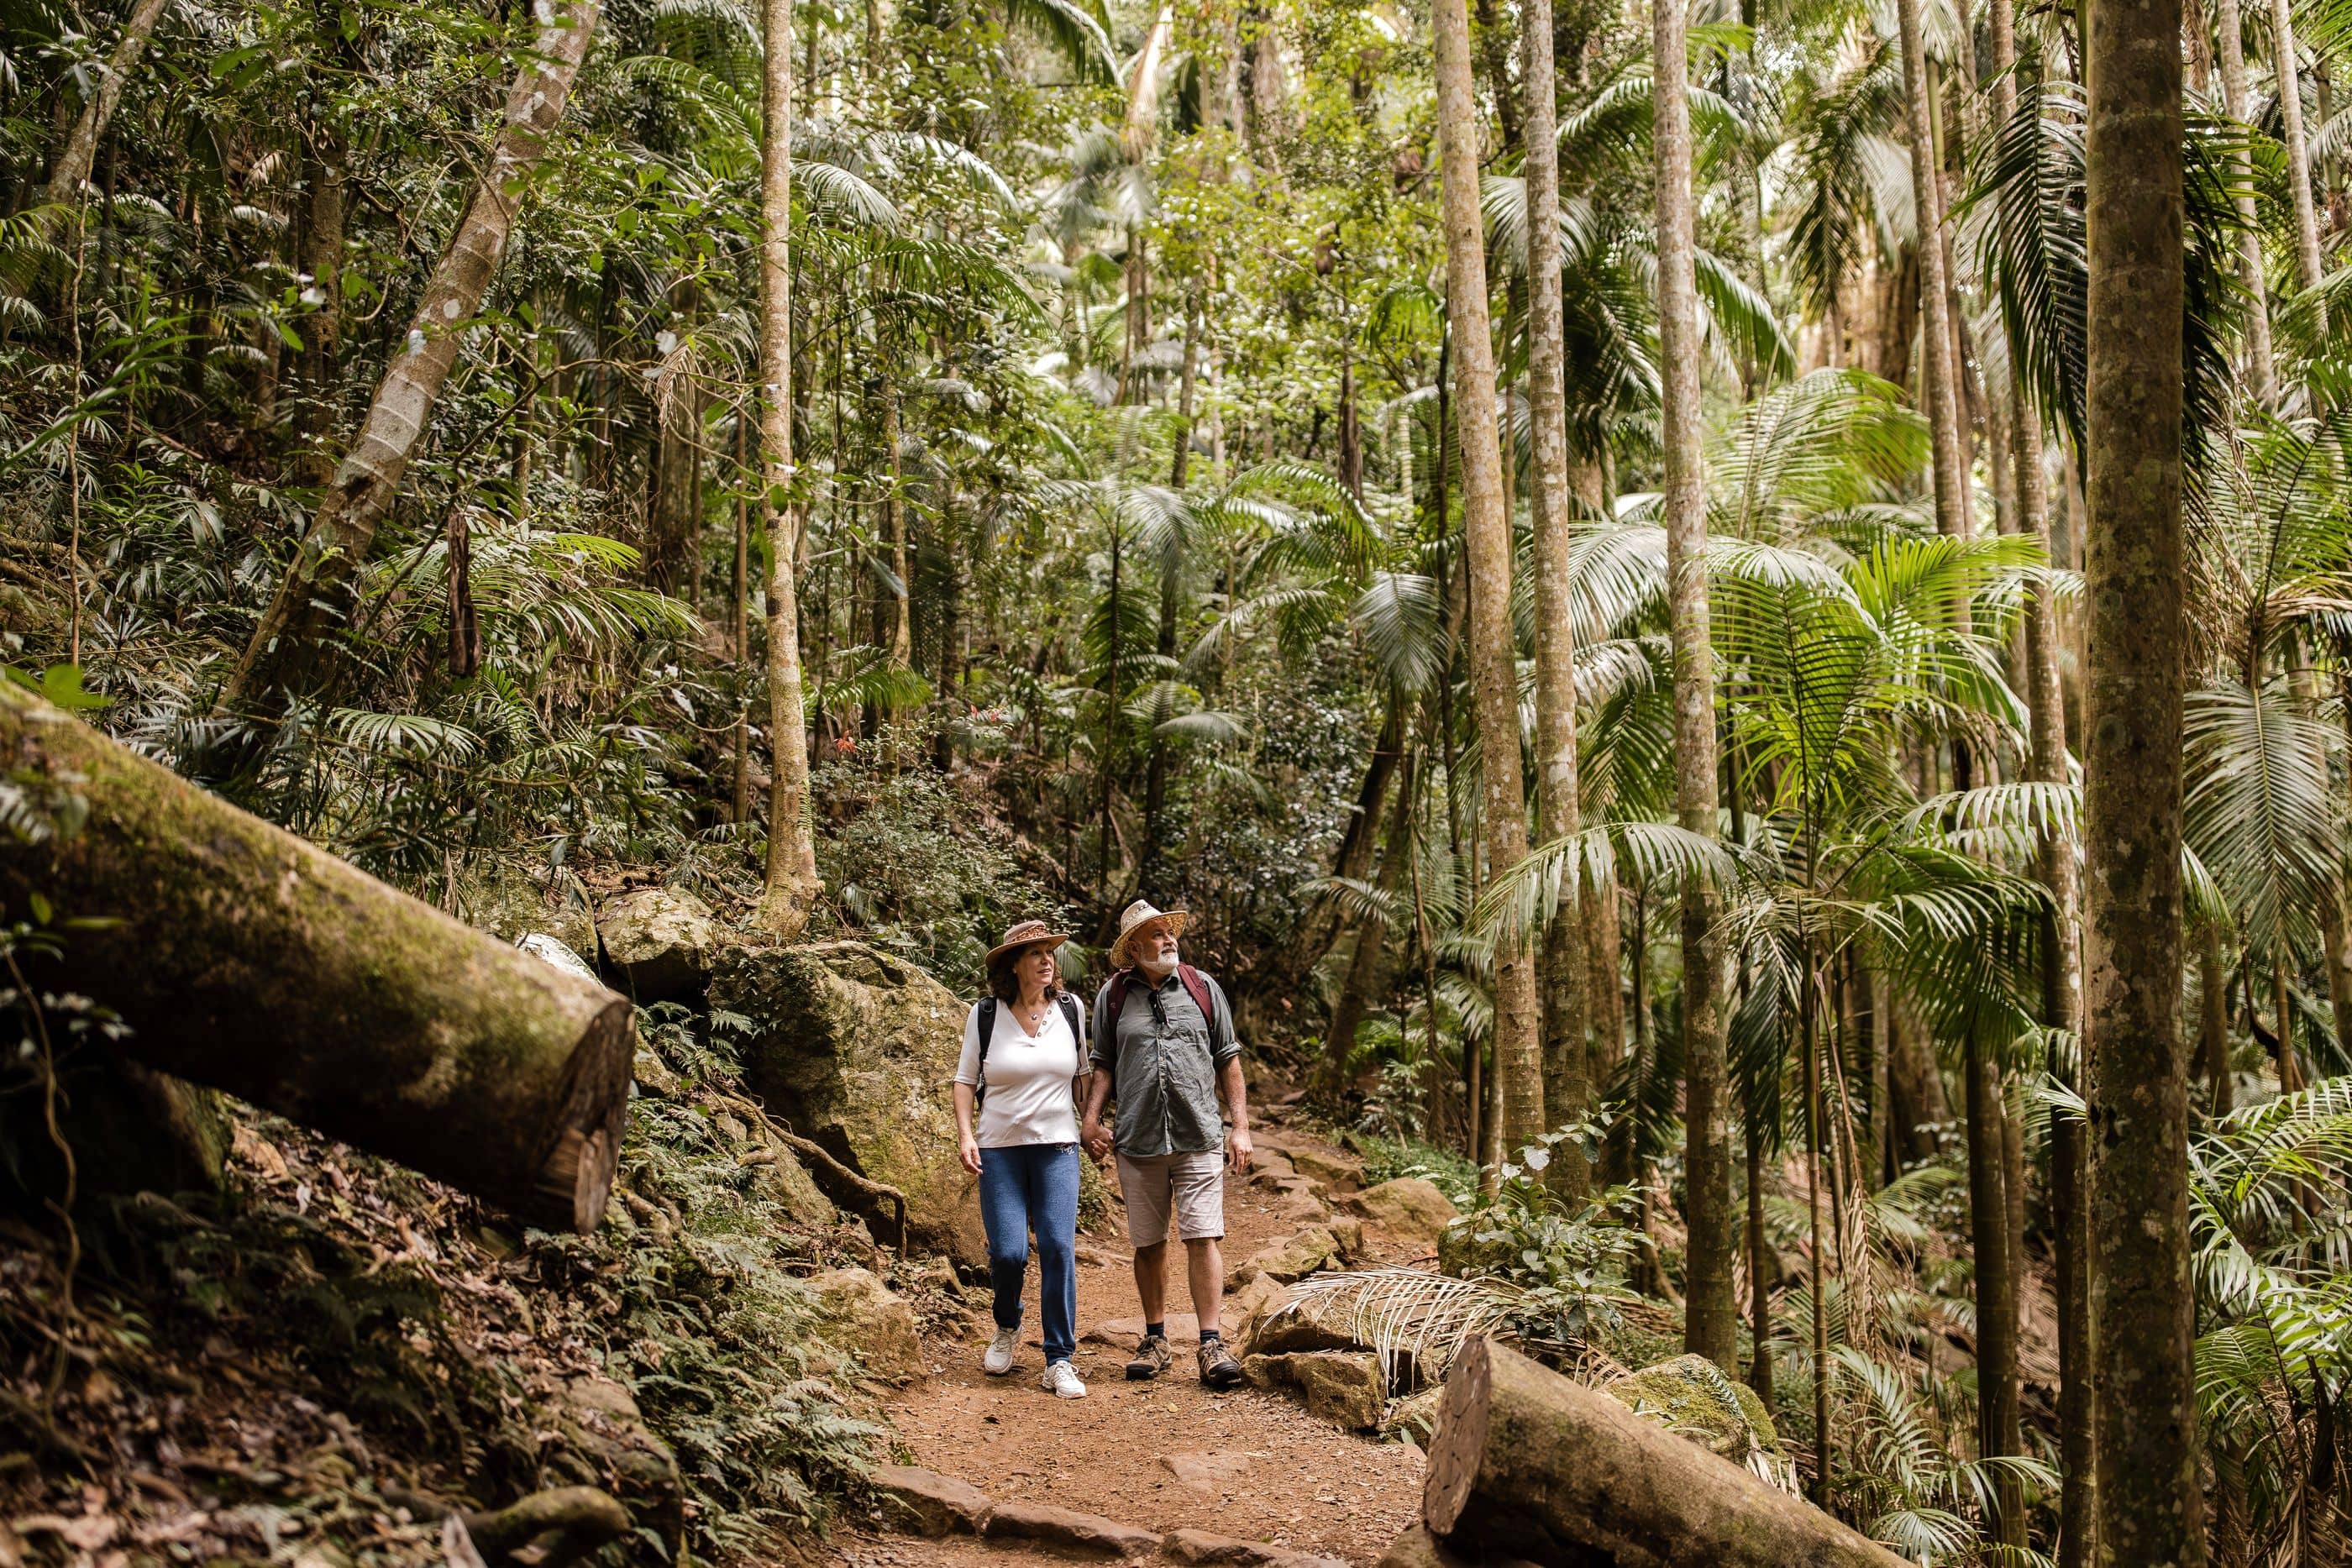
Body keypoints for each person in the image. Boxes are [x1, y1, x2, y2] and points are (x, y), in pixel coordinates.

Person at [1080, 899, 1253, 1389]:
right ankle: (1155, 1339)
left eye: (1168, 932)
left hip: (1198, 1133)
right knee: (1148, 1243)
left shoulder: (1203, 988)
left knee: (1203, 1237)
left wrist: (1239, 1127)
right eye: (1155, 935)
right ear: (1133, 949)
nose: (1167, 940)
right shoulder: (1111, 998)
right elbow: (1104, 1066)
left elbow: (1229, 1062)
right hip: (1138, 1138)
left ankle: (1210, 1343)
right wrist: (1090, 1121)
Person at [953, 920, 1092, 1399]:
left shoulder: (1071, 1011)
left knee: (1057, 1247)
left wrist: (1091, 1122)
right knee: (1009, 1252)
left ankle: (1059, 1359)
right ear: (1014, 965)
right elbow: (965, 1080)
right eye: (1034, 953)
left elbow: (1082, 1076)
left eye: (1049, 952)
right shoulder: (986, 1014)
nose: (1045, 960)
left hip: (1058, 1146)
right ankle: (1007, 1326)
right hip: (999, 1149)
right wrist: (966, 1135)